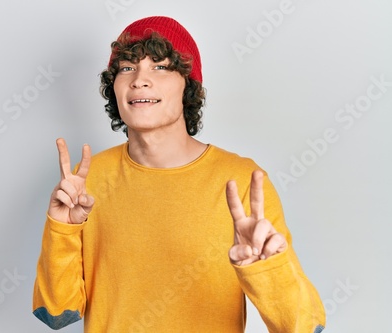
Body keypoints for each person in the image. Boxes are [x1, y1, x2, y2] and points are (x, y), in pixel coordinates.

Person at [32, 16, 326, 332]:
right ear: (114, 87)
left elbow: (303, 325)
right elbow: (56, 312)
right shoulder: (88, 180)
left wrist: (265, 268)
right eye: (127, 68)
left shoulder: (242, 180)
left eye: (160, 67)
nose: (139, 80)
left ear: (188, 85)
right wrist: (62, 230)